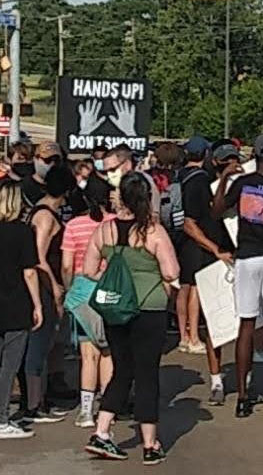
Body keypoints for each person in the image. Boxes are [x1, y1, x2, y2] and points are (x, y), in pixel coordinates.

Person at [83, 171, 179, 465]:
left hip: (116, 308)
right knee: (147, 373)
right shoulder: (153, 232)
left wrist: (110, 277)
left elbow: (87, 269)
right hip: (149, 307)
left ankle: (102, 431)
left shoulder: (104, 231)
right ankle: (150, 444)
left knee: (122, 370)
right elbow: (172, 272)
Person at [212, 134, 263, 421]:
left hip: (246, 256)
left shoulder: (243, 183)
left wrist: (224, 178)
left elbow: (217, 210)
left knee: (245, 325)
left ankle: (243, 399)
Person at [0, 181, 43, 439]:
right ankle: (2, 419)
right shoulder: (23, 232)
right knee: (9, 366)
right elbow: (29, 271)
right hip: (16, 303)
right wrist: (37, 304)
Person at [178, 138, 237, 405]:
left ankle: (243, 377)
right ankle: (215, 380)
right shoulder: (199, 182)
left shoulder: (242, 184)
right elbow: (190, 223)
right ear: (212, 159)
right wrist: (214, 249)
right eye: (225, 160)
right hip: (209, 256)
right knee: (216, 318)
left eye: (234, 159)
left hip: (237, 255)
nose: (231, 164)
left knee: (246, 320)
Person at [15, 166, 75, 422]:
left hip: (40, 284)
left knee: (42, 342)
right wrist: (55, 285)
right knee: (39, 342)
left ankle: (38, 398)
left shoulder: (38, 211)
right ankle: (34, 405)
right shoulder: (46, 217)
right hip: (41, 286)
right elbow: (38, 257)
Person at [61, 179, 115, 428]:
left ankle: (85, 412)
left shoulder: (74, 225)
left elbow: (66, 265)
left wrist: (68, 287)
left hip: (83, 291)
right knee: (108, 351)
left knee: (87, 354)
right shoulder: (114, 225)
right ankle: (108, 409)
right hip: (110, 290)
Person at [176, 137, 230, 357]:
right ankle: (194, 337)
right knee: (197, 289)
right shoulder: (201, 180)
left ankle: (182, 336)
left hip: (180, 241)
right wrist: (213, 246)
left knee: (184, 288)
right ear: (206, 154)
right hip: (198, 241)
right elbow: (193, 219)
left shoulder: (180, 175)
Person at [103, 144, 160, 220]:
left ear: (127, 164)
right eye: (106, 171)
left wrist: (121, 205)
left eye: (113, 169)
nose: (109, 174)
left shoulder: (142, 181)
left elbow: (154, 217)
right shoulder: (115, 185)